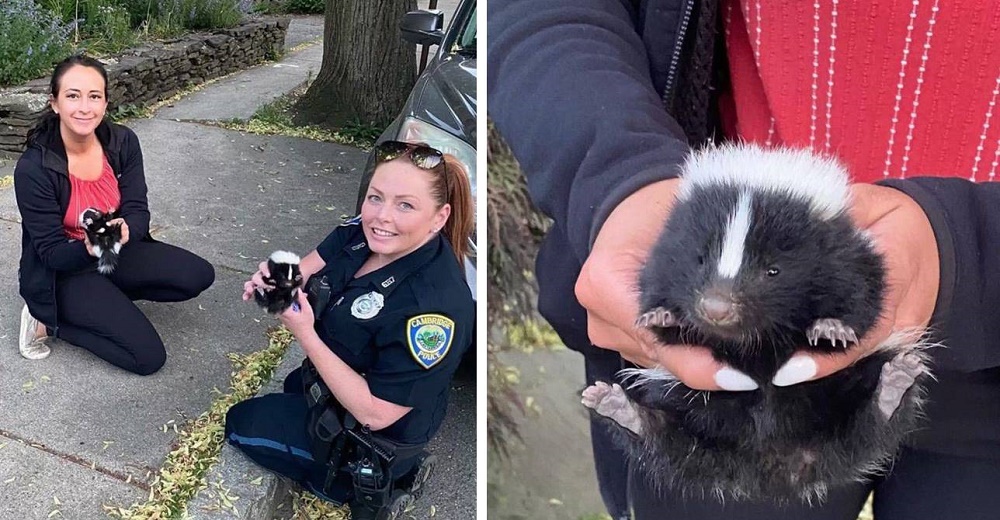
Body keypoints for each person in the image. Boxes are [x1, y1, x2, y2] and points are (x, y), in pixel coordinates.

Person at [489, 1, 1000, 519]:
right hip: (725, 381)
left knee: (831, 431)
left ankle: (879, 402)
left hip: (975, 398)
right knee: (707, 441)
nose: (717, 302)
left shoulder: (835, 262)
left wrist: (971, 246)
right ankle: (649, 427)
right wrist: (620, 180)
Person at [225, 141, 475, 518]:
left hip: (376, 432)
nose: (382, 216)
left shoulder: (433, 309)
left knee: (240, 423)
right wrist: (275, 282)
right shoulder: (362, 232)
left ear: (439, 218)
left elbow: (376, 413)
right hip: (345, 382)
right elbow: (306, 268)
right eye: (375, 197)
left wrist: (305, 332)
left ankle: (357, 488)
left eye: (405, 205)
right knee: (296, 388)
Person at [14, 54, 215, 375]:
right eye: (72, 95)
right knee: (148, 358)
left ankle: (104, 301)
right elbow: (51, 254)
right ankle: (47, 323)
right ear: (54, 103)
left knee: (198, 275)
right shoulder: (34, 168)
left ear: (106, 102)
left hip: (113, 251)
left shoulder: (122, 143)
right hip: (64, 271)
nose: (84, 107)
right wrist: (89, 247)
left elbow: (138, 211)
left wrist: (126, 231)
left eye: (94, 96)